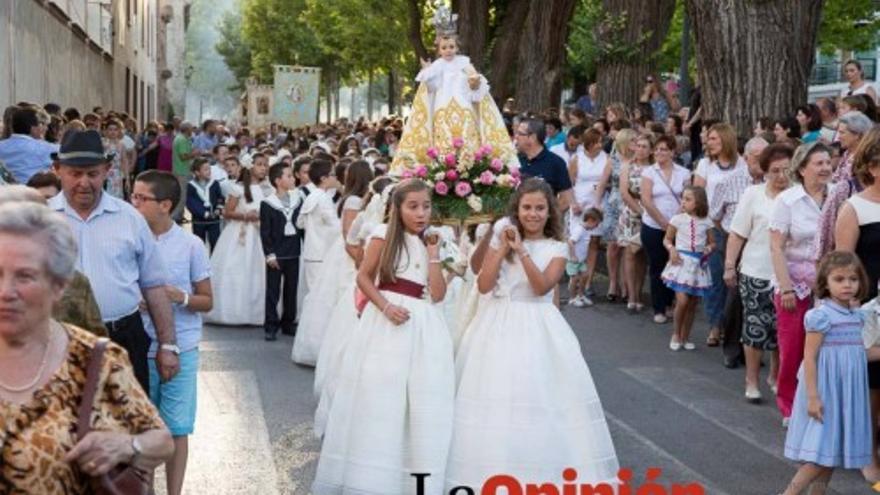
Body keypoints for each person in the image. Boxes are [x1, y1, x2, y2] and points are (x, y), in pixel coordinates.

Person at [445, 179, 619, 489]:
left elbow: (541, 287)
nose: (533, 214)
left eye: (539, 208)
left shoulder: (557, 247)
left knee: (537, 393)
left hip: (537, 324)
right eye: (526, 208)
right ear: (517, 210)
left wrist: (522, 252)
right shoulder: (502, 238)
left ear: (549, 211)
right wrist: (499, 245)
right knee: (496, 395)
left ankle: (540, 470)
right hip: (496, 322)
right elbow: (483, 285)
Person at [0, 201, 175, 494]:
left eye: (25, 276)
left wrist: (126, 445)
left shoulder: (97, 359)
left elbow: (161, 440)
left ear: (58, 286)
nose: (6, 292)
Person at [312, 179, 453, 495]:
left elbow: (439, 293)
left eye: (426, 206)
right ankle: (371, 477)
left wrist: (433, 254)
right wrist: (386, 306)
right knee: (381, 397)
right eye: (412, 206)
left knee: (418, 399)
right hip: (386, 323)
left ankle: (408, 478)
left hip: (423, 325)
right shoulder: (382, 235)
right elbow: (363, 277)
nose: (420, 213)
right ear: (397, 208)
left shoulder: (432, 241)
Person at [47, 130, 178, 392]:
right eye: (75, 173)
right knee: (64, 426)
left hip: (122, 338)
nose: (84, 182)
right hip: (57, 342)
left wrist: (168, 345)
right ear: (58, 169)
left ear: (107, 169)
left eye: (92, 173)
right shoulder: (39, 219)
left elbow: (153, 285)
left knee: (127, 424)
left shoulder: (130, 219)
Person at [131, 170, 212, 495]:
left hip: (183, 346)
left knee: (177, 427)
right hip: (138, 345)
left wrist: (180, 297)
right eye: (133, 196)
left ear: (164, 205)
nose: (133, 203)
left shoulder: (191, 245)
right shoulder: (129, 239)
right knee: (142, 427)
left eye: (141, 198)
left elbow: (207, 301)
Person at [780, 252, 872, 495]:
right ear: (825, 283)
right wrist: (813, 396)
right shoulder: (821, 316)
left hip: (847, 393)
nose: (847, 285)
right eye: (839, 279)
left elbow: (857, 352)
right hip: (825, 392)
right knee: (820, 455)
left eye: (853, 279)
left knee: (832, 453)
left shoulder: (857, 316)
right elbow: (809, 357)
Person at [391, 6, 516, 171]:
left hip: (464, 108)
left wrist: (474, 82)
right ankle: (444, 170)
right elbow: (432, 88)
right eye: (444, 48)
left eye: (451, 46)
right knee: (444, 141)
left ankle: (470, 169)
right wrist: (427, 73)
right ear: (439, 49)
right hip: (442, 109)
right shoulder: (436, 66)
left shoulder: (464, 62)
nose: (448, 50)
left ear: (457, 47)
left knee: (466, 138)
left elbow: (475, 87)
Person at [770, 142, 833, 426]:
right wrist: (786, 288)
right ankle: (789, 405)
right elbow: (776, 247)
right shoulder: (788, 200)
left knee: (827, 349)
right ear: (802, 168)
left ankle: (820, 402)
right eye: (818, 163)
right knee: (793, 347)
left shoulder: (837, 197)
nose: (825, 168)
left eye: (828, 162)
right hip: (795, 284)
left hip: (832, 285)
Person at [724, 143, 793, 402]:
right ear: (764, 171)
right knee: (754, 327)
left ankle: (775, 375)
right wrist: (730, 265)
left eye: (786, 170)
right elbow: (738, 233)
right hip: (756, 270)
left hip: (788, 275)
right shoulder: (753, 194)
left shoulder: (797, 195)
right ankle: (751, 380)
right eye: (775, 170)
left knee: (782, 329)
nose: (781, 176)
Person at [834, 126, 880, 481]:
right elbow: (842, 267)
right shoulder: (854, 208)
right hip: (869, 309)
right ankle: (869, 453)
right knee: (873, 385)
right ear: (873, 165)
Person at [293, 161, 372, 364]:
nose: (338, 179)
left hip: (331, 250)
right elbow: (345, 231)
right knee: (334, 297)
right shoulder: (350, 200)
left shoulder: (337, 198)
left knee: (329, 297)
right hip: (335, 253)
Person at [694, 123, 746, 346]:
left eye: (714, 138)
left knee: (735, 280)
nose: (709, 142)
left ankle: (733, 326)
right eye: (709, 139)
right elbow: (698, 195)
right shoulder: (705, 165)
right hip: (714, 227)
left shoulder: (742, 164)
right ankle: (715, 325)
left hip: (739, 229)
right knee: (715, 278)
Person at [204, 164, 267, 326]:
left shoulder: (265, 189)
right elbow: (227, 212)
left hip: (258, 233)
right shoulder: (238, 189)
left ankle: (256, 311)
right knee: (236, 267)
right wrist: (246, 215)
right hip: (240, 232)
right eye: (260, 165)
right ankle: (233, 310)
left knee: (256, 270)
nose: (264, 168)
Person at [640, 135, 690, 324]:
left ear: (672, 152)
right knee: (657, 265)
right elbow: (646, 199)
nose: (660, 152)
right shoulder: (649, 172)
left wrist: (675, 221)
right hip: (653, 225)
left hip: (677, 225)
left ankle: (670, 303)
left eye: (664, 149)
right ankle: (658, 307)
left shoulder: (684, 173)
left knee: (675, 263)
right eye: (657, 149)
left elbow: (686, 197)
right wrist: (662, 222)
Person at [813, 111, 874, 261]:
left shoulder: (861, 160)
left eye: (842, 132)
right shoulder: (846, 155)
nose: (838, 136)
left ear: (858, 135)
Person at [661, 186, 715, 351]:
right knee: (682, 300)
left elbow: (712, 242)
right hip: (681, 262)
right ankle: (676, 334)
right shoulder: (677, 219)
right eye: (683, 198)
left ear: (698, 202)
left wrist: (709, 248)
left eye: (688, 199)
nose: (683, 202)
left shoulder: (707, 221)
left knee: (692, 303)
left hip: (698, 263)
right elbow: (667, 239)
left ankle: (686, 336)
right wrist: (672, 249)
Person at [292, 159, 340, 338]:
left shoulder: (312, 197)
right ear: (324, 178)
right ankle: (317, 337)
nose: (336, 178)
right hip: (322, 253)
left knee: (313, 295)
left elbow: (300, 222)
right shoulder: (323, 198)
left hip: (312, 251)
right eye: (334, 174)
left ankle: (310, 335)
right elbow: (335, 227)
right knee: (321, 298)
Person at [260, 163, 303, 341]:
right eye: (289, 176)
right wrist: (269, 254)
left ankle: (288, 322)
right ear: (278, 181)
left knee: (291, 290)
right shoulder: (268, 203)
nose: (293, 178)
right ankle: (271, 325)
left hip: (293, 251)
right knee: (273, 290)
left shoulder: (297, 199)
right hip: (277, 254)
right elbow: (265, 232)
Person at [596, 129, 636, 301]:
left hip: (631, 205)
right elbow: (602, 183)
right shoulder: (613, 161)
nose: (636, 143)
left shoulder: (638, 161)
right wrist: (597, 205)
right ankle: (613, 282)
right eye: (633, 140)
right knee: (613, 246)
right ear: (625, 142)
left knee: (628, 247)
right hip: (613, 205)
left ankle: (628, 284)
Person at [568, 128, 607, 295]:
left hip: (597, 203)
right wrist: (573, 203)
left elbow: (607, 180)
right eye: (596, 142)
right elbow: (569, 183)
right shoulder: (577, 158)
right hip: (580, 202)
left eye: (601, 141)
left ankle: (587, 280)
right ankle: (574, 278)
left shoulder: (605, 158)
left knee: (593, 242)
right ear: (589, 143)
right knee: (577, 240)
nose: (600, 145)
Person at [618, 133, 652, 312]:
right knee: (630, 253)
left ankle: (639, 293)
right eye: (638, 145)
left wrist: (648, 212)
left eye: (644, 146)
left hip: (650, 213)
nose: (640, 149)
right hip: (631, 213)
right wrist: (639, 211)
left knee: (642, 255)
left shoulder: (653, 168)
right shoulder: (627, 166)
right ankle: (631, 295)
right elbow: (624, 192)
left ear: (650, 150)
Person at [515, 118, 575, 211]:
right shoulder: (514, 160)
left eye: (520, 133)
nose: (516, 137)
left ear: (532, 137)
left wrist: (547, 217)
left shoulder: (555, 163)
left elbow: (566, 199)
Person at [0, 106, 59, 184]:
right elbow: (69, 151)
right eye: (42, 124)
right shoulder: (44, 148)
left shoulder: (1, 146)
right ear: (33, 128)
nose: (46, 128)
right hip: (35, 192)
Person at [186, 158, 225, 252]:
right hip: (199, 220)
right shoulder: (191, 186)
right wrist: (204, 213)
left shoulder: (214, 183)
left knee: (215, 242)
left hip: (214, 220)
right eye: (205, 169)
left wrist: (218, 209)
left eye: (209, 169)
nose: (209, 171)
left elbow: (220, 198)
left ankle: (214, 263)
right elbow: (191, 203)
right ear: (197, 172)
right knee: (199, 243)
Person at [567, 208, 603, 307]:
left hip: (581, 260)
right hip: (574, 260)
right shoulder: (580, 230)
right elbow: (570, 242)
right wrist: (573, 256)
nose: (597, 226)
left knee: (584, 276)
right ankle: (572, 298)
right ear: (590, 220)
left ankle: (581, 295)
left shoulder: (587, 230)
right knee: (574, 279)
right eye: (597, 223)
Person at [172, 122, 200, 221]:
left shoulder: (181, 138)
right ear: (187, 129)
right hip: (181, 171)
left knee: (182, 194)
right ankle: (176, 216)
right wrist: (194, 153)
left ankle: (180, 214)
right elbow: (183, 156)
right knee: (182, 195)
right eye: (191, 129)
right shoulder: (182, 140)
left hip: (182, 170)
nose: (192, 131)